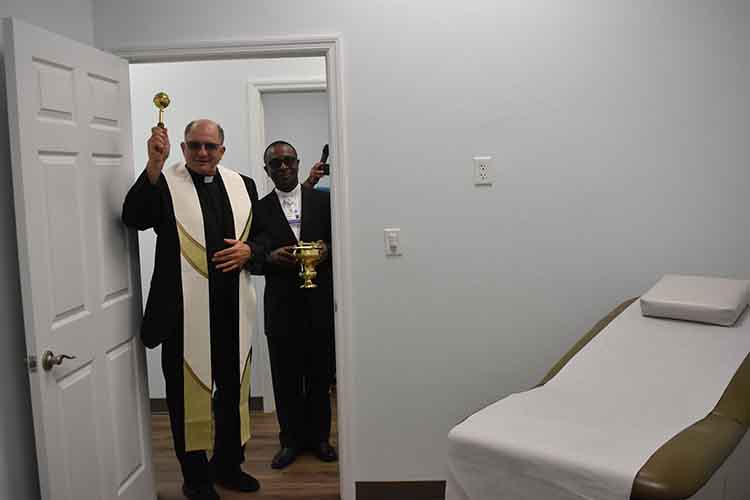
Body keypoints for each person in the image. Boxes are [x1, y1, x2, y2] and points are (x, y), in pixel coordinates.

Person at [122, 120, 262, 500]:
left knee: (232, 394)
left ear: (222, 150)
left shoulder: (243, 185)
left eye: (210, 146)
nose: (203, 153)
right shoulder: (164, 183)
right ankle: (196, 478)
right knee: (187, 398)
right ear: (182, 149)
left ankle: (229, 466)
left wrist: (252, 251)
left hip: (233, 312)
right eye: (195, 146)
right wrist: (153, 164)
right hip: (182, 315)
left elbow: (263, 239)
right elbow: (134, 218)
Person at [251, 140, 338, 469]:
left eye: (289, 161)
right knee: (285, 379)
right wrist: (270, 257)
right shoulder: (258, 209)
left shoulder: (323, 201)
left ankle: (319, 438)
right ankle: (289, 441)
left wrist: (326, 250)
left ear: (299, 163)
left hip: (319, 303)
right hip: (281, 306)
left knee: (319, 375)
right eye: (276, 164)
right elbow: (252, 253)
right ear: (267, 170)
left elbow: (338, 239)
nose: (284, 167)